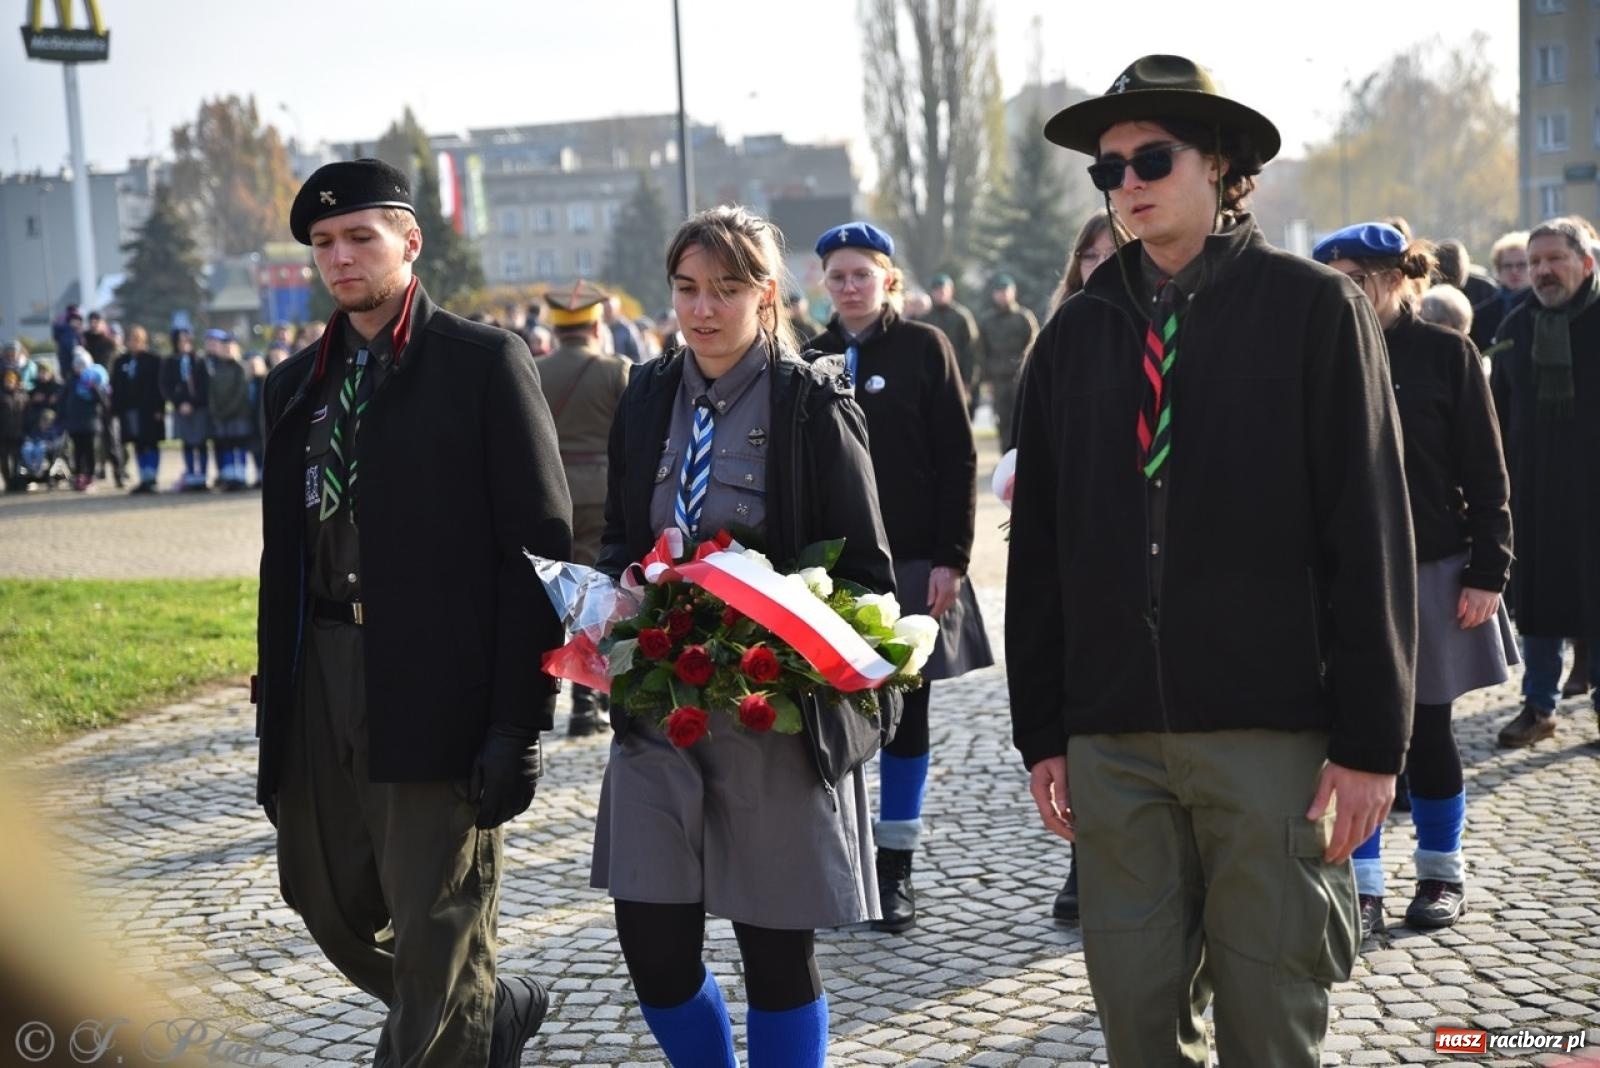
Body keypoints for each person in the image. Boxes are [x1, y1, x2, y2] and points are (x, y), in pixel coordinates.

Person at [1009, 55, 1416, 1066]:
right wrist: (1042, 731)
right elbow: (1042, 551)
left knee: (1270, 1026)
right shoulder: (1072, 336)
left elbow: (1368, 528)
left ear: (1222, 164)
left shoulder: (1315, 310)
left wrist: (1371, 742)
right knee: (1138, 1028)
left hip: (1270, 734)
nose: (1126, 183)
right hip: (1113, 739)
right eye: (1107, 169)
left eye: (1151, 157)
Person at [255, 158, 572, 1067]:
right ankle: (487, 1002)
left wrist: (520, 720)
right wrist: (277, 686)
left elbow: (539, 551)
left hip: (435, 680)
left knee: (435, 918)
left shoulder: (481, 363)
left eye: (360, 236)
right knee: (321, 892)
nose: (340, 258)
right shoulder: (292, 387)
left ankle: (449, 1025)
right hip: (319, 669)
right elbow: (285, 552)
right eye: (323, 243)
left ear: (410, 241)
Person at [591, 205, 895, 1067]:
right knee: (651, 947)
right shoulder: (646, 393)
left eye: (726, 290)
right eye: (687, 289)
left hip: (772, 714)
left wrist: (769, 616)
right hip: (659, 710)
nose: (702, 310)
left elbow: (866, 573)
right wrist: (621, 588)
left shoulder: (810, 402)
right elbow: (619, 532)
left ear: (766, 295)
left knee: (775, 956)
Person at [1314, 222, 1515, 939]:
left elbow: (1486, 471)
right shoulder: (1320, 355)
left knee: (1427, 730)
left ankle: (1440, 872)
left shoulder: (1445, 353)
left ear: (1397, 278)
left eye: (1356, 278)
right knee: (1352, 731)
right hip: (1340, 574)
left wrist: (1489, 568)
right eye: (1332, 278)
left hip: (1431, 566)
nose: (1346, 292)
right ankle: (1362, 886)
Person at [808, 220, 992, 935]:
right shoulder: (811, 356)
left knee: (908, 718)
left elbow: (957, 456)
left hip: (916, 561)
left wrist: (953, 555)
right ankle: (843, 866)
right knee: (835, 718)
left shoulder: (925, 347)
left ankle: (897, 865)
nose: (850, 287)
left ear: (890, 279)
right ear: (824, 285)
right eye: (838, 276)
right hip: (832, 572)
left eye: (863, 274)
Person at [1035, 208, 1122, 926]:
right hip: (1079, 562)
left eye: (1113, 253)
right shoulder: (1061, 336)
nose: (1101, 266)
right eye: (1090, 256)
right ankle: (1082, 859)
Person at [1490, 217, 1600, 748]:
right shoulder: (1515, 329)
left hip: (1593, 491)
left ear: (1587, 262)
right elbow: (1495, 413)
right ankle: (1538, 706)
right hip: (1534, 490)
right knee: (1537, 601)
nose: (1542, 272)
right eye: (1534, 262)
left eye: (1554, 259)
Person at [539, 280, 631, 737]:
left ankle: (565, 692)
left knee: (562, 595)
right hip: (603, 492)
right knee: (596, 594)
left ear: (555, 330)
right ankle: (587, 695)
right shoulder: (617, 370)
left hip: (552, 493)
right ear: (596, 325)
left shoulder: (535, 370)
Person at [979, 273, 1039, 451]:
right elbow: (982, 352)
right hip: (998, 380)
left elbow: (1034, 346)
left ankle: (1023, 458)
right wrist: (986, 379)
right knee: (1002, 420)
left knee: (1022, 419)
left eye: (1006, 291)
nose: (1002, 295)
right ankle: (1006, 459)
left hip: (1020, 378)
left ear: (1014, 292)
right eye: (999, 291)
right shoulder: (987, 321)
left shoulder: (1024, 317)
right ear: (994, 294)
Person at [111, 325, 167, 493]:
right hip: (129, 410)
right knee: (138, 443)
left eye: (137, 340)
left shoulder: (154, 360)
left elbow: (160, 387)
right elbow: (116, 386)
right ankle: (143, 477)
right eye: (131, 340)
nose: (133, 343)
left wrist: (159, 408)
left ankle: (152, 477)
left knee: (151, 443)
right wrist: (115, 408)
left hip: (149, 410)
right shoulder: (121, 361)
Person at [922, 273, 982, 405]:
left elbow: (972, 350)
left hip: (957, 376)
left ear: (951, 291)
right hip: (931, 378)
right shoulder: (925, 319)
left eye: (944, 290)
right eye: (937, 290)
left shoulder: (961, 317)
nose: (941, 294)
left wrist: (968, 381)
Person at [161, 327, 210, 490]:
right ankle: (190, 476)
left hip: (199, 408)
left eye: (186, 340)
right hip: (180, 408)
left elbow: (205, 385)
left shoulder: (200, 360)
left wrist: (193, 403)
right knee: (187, 443)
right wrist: (179, 403)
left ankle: (202, 477)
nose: (184, 344)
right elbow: (166, 386)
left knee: (201, 442)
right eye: (180, 341)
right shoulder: (169, 362)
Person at [59, 348, 109, 491]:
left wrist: (95, 388)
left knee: (90, 451)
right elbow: (62, 401)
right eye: (77, 365)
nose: (79, 368)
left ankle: (90, 477)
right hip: (74, 423)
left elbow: (104, 402)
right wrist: (61, 418)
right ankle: (79, 476)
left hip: (91, 424)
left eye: (82, 365)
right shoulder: (70, 382)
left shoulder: (96, 381)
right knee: (78, 451)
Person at [1, 340, 34, 492]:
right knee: (4, 458)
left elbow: (27, 412)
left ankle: (15, 481)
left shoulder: (23, 395)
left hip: (18, 430)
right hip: (3, 431)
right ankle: (8, 482)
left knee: (17, 457)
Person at [605, 295, 645, 363]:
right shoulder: (600, 327)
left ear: (617, 310)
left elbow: (637, 355)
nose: (607, 313)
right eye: (605, 309)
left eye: (609, 309)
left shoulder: (627, 329)